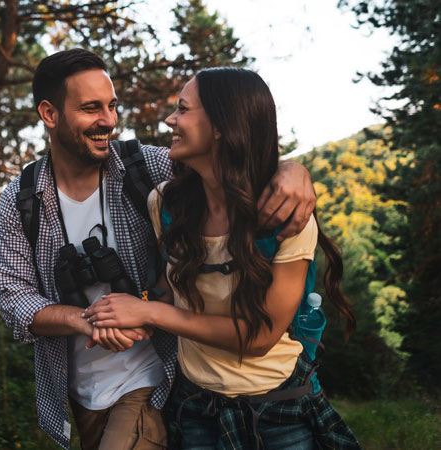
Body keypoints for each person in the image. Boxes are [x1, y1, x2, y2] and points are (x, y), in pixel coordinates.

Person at [0, 50, 317, 450]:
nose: (108, 121)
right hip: (77, 389)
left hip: (152, 376)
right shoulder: (21, 200)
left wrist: (293, 171)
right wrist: (84, 319)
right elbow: (12, 296)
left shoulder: (146, 168)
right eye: (91, 108)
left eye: (111, 106)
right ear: (50, 113)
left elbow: (232, 158)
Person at [83, 67, 361, 449]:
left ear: (219, 126)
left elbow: (260, 337)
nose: (170, 119)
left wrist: (149, 313)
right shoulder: (165, 203)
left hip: (279, 408)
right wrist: (123, 315)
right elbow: (168, 291)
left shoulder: (286, 216)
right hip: (196, 407)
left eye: (183, 110)